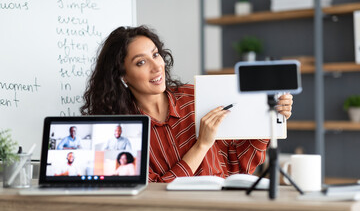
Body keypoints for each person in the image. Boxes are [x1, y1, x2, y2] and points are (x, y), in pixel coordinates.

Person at [81, 25, 294, 183]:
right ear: (123, 76)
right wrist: (202, 144)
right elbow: (153, 194)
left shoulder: (194, 97)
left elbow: (238, 163)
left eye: (156, 54)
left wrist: (268, 118)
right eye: (141, 62)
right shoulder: (121, 133)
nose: (157, 67)